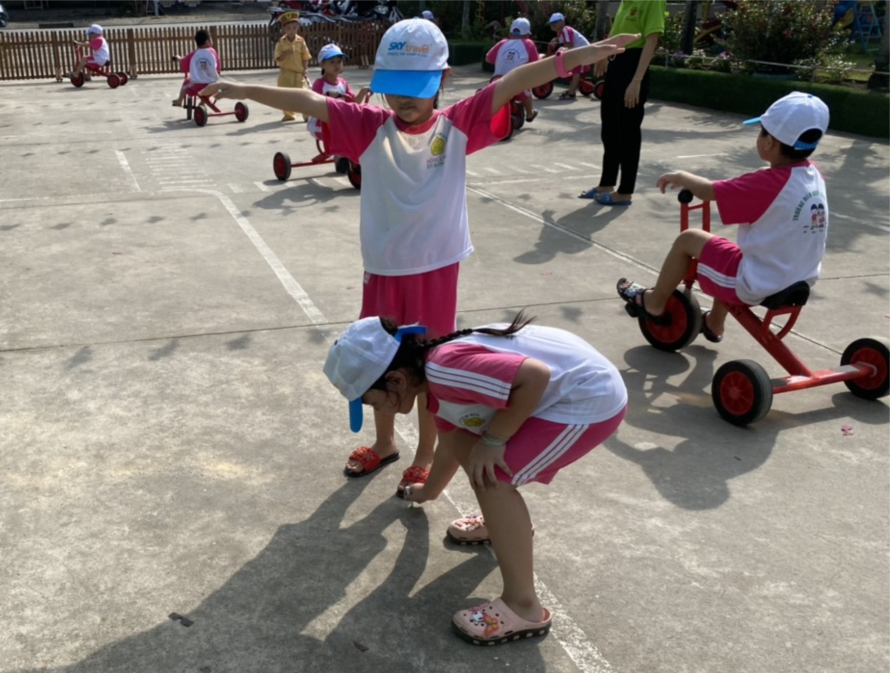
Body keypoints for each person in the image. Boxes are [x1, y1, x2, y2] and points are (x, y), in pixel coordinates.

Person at [207, 20, 636, 490]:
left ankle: (427, 452)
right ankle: (384, 442)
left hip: (437, 269)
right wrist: (240, 88)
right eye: (394, 88)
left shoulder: (457, 125)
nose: (402, 99)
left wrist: (577, 57)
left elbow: (515, 79)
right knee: (380, 362)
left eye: (415, 88)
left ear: (442, 79)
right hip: (383, 269)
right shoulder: (369, 126)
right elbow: (308, 101)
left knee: (433, 368)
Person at [323, 315, 628, 645]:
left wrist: (494, 440)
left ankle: (524, 606)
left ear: (395, 380)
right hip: (572, 387)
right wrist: (428, 491)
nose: (372, 408)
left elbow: (534, 377)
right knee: (470, 444)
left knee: (493, 476)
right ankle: (504, 524)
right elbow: (451, 442)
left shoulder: (445, 370)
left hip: (588, 401)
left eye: (368, 401)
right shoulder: (434, 378)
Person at [616, 93, 830, 343]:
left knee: (688, 239)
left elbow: (708, 191)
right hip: (799, 277)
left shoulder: (766, 184)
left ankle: (654, 302)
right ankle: (714, 322)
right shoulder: (813, 175)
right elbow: (771, 190)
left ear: (769, 142)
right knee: (729, 254)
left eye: (761, 132)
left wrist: (681, 177)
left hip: (759, 281)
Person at [579, 0, 665, 206]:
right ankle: (606, 184)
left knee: (628, 131)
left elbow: (651, 40)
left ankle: (625, 191)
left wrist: (636, 81)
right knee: (609, 129)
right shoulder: (626, 2)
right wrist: (604, 53)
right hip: (616, 65)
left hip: (634, 66)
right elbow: (617, 33)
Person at [306, 43, 370, 143]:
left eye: (339, 61)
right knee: (343, 133)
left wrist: (363, 92)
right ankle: (340, 151)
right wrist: (326, 96)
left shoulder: (343, 83)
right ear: (322, 65)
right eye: (332, 62)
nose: (336, 65)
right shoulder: (319, 84)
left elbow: (353, 102)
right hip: (319, 123)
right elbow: (314, 104)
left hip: (336, 121)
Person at [486, 17, 540, 126]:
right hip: (516, 83)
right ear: (527, 35)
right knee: (527, 89)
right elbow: (536, 63)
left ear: (510, 34)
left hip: (496, 82)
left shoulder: (502, 43)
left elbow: (488, 58)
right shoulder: (528, 43)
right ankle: (529, 114)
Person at [273, 11, 311, 122]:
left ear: (297, 27)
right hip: (286, 73)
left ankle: (307, 115)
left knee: (303, 95)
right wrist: (286, 53)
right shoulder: (281, 42)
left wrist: (305, 69)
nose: (291, 31)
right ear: (284, 29)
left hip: (299, 73)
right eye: (288, 28)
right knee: (286, 96)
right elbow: (278, 58)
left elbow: (305, 57)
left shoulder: (301, 41)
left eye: (294, 28)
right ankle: (289, 115)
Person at [547, 11, 590, 99]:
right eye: (551, 23)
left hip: (583, 52)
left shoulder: (566, 30)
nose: (553, 24)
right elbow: (563, 43)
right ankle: (572, 89)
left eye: (555, 22)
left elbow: (569, 44)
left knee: (576, 70)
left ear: (562, 22)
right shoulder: (560, 33)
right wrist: (555, 43)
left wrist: (558, 47)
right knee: (572, 69)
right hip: (577, 52)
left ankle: (571, 93)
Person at [174, 29, 221, 108]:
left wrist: (178, 58)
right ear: (207, 41)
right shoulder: (213, 52)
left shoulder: (194, 53)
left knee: (186, 82)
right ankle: (202, 103)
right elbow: (218, 66)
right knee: (209, 90)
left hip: (198, 85)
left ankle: (179, 100)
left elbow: (184, 63)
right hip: (212, 85)